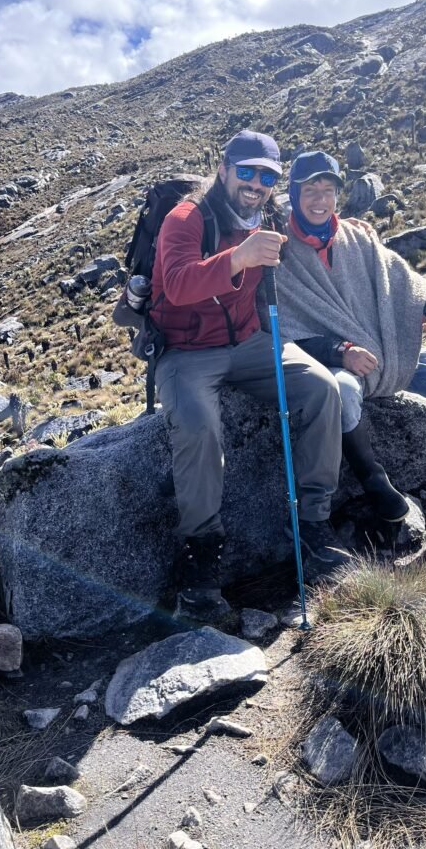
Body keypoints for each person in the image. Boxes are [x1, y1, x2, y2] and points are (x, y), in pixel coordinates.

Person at [274, 149, 426, 551]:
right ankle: (376, 483)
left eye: (327, 190)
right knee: (342, 392)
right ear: (294, 195)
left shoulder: (357, 236)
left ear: (338, 193)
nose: (319, 200)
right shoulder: (280, 252)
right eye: (309, 190)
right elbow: (284, 327)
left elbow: (401, 276)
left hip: (389, 346)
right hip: (341, 359)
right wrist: (339, 350)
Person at [150, 130, 345, 618]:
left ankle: (313, 525)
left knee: (322, 388)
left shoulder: (269, 218)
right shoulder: (186, 218)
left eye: (267, 176)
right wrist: (238, 257)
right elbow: (175, 284)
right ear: (224, 169)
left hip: (251, 344)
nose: (256, 183)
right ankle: (202, 562)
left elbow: (314, 236)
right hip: (187, 352)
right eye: (248, 171)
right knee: (197, 426)